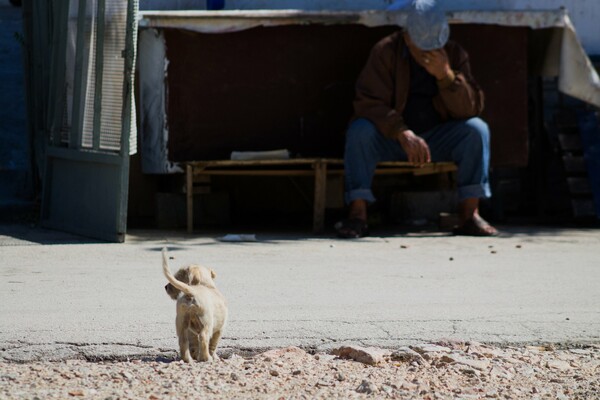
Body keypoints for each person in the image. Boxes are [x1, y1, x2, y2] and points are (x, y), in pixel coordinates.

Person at [335, 0, 498, 238]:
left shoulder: (453, 53)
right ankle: (358, 214)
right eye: (422, 46)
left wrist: (447, 77)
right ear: (407, 36)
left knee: (477, 130)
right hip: (392, 139)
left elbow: (470, 109)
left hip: (437, 138)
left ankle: (469, 214)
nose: (427, 53)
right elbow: (368, 103)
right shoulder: (386, 51)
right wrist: (401, 132)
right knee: (360, 130)